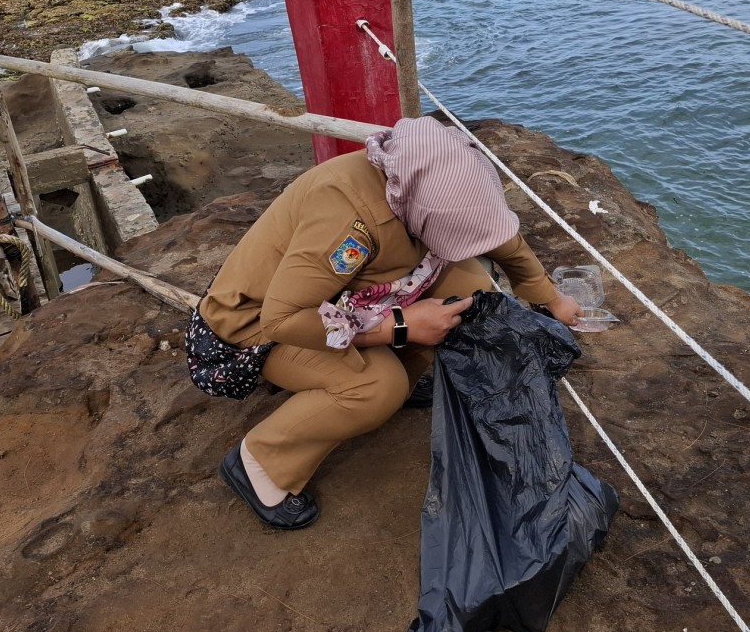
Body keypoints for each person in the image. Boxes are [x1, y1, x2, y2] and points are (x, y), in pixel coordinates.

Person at [188, 116, 582, 530]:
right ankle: (262, 460)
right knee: (377, 386)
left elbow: (492, 231)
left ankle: (403, 376)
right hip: (260, 325)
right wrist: (401, 327)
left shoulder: (422, 179)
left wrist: (551, 297)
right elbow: (283, 319)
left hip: (351, 293)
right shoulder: (348, 220)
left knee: (472, 295)